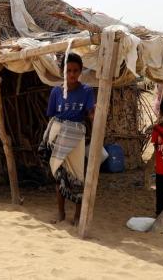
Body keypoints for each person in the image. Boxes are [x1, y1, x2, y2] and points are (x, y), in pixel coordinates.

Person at [42, 53, 95, 225]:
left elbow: (91, 114)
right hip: (59, 137)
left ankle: (78, 216)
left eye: (75, 71)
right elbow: (52, 117)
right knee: (60, 176)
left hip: (76, 138)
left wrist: (96, 114)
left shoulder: (86, 91)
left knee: (78, 176)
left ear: (80, 71)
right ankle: (61, 213)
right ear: (62, 71)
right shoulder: (56, 92)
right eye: (68, 70)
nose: (72, 74)